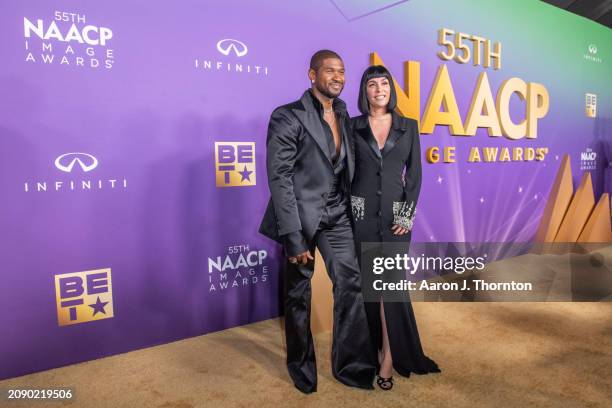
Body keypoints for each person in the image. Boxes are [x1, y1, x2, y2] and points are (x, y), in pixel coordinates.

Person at [259, 50, 376, 394]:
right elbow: (279, 178)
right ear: (312, 75)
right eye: (330, 70)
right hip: (301, 217)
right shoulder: (288, 116)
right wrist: (293, 235)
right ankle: (301, 366)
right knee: (298, 294)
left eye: (341, 71)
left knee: (350, 283)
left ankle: (351, 366)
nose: (338, 76)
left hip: (338, 214)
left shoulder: (344, 114)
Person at [350, 65, 441, 390]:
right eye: (372, 84)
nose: (379, 90)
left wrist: (406, 215)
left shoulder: (408, 127)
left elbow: (415, 175)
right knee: (371, 291)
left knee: (389, 289)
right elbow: (345, 169)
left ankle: (388, 358)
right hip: (361, 218)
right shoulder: (353, 126)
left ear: (391, 89)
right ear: (365, 91)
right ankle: (374, 348)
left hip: (395, 221)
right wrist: (351, 204)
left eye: (384, 84)